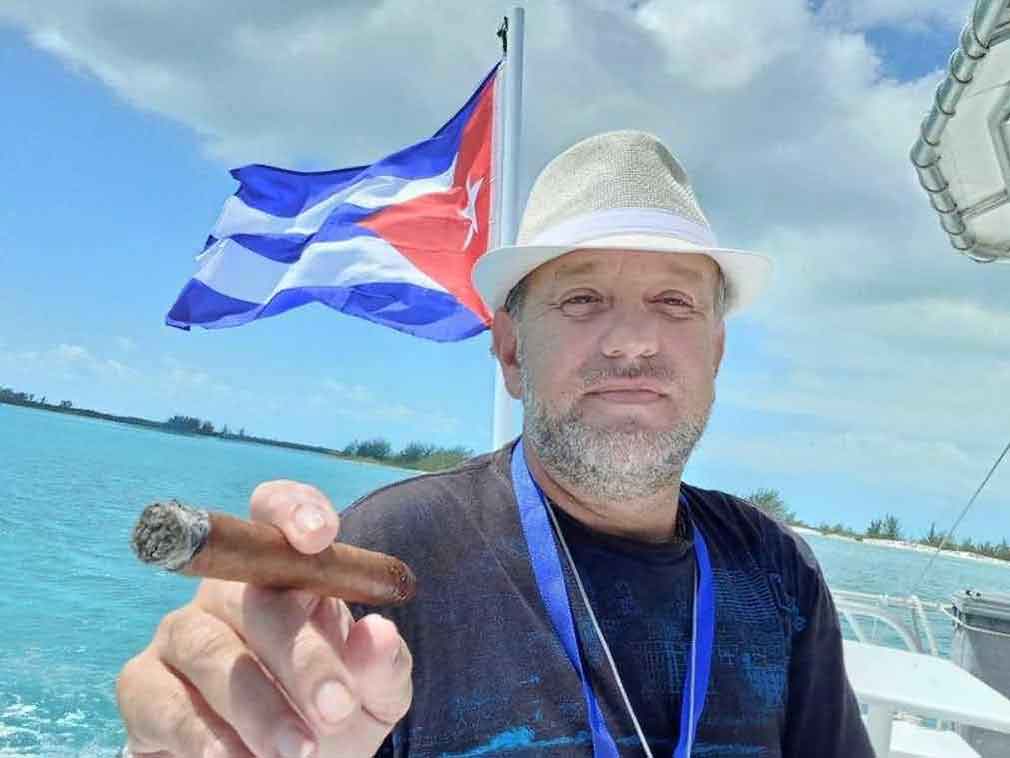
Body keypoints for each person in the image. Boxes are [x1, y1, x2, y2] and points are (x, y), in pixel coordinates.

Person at [116, 131, 874, 758]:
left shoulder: (774, 569)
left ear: (716, 351)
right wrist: (199, 726)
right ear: (511, 351)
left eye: (674, 301)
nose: (634, 341)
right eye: (582, 298)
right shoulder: (384, 558)